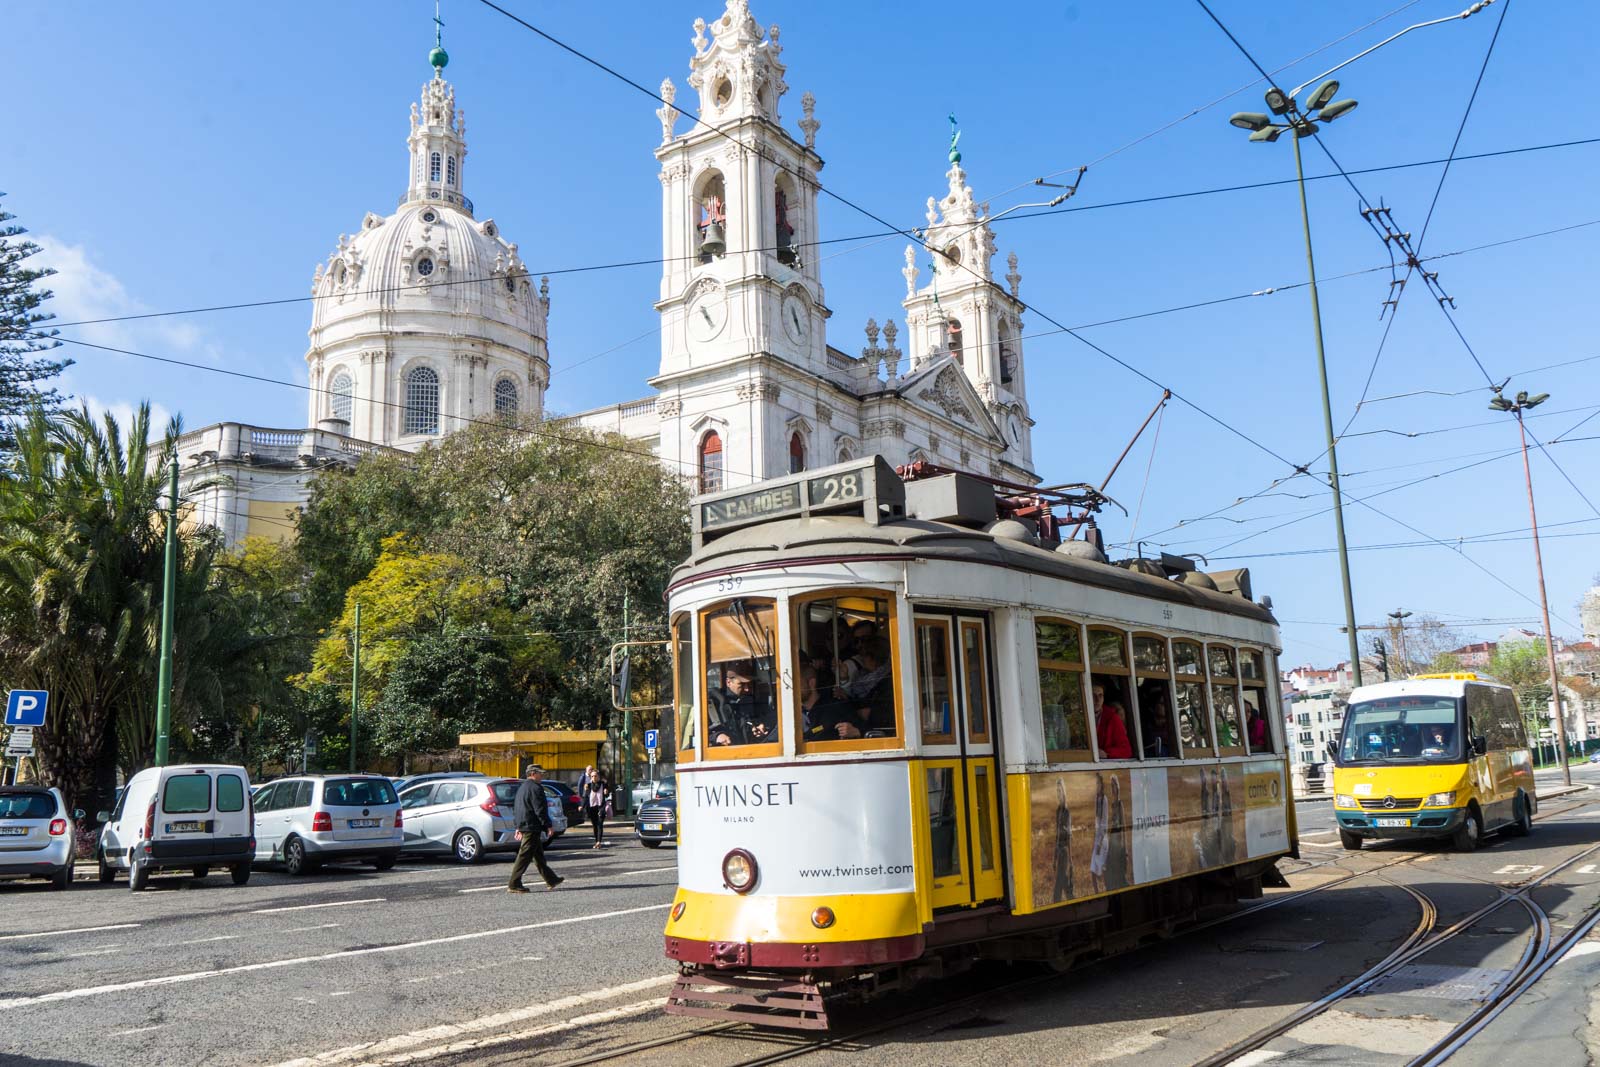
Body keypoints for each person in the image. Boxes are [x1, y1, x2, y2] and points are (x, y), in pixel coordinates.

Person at [507, 764, 563, 892]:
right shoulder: (536, 788)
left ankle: (551, 879)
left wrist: (518, 826)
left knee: (538, 856)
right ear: (533, 773)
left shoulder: (522, 787)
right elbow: (540, 809)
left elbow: (518, 808)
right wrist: (548, 825)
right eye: (540, 773)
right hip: (531, 826)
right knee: (524, 856)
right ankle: (514, 883)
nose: (542, 776)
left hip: (525, 824)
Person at [708, 660, 776, 746]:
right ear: (728, 682)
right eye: (741, 685)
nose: (747, 689)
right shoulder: (713, 702)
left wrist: (761, 726)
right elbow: (698, 733)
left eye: (749, 684)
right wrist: (717, 736)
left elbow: (767, 719)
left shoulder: (752, 700)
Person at [1092, 683, 1133, 759]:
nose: (1097, 700)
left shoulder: (1112, 718)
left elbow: (1126, 750)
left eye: (1100, 695)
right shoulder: (1077, 716)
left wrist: (1107, 753)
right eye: (1093, 695)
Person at [1052, 778, 1074, 903]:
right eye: (1057, 791)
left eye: (1060, 791)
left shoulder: (1066, 812)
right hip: (1059, 851)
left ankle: (1056, 902)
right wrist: (1054, 858)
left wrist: (1070, 859)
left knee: (1058, 886)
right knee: (1064, 883)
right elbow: (1057, 835)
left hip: (1065, 852)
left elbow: (1069, 836)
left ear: (1063, 792)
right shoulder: (1057, 811)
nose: (1058, 794)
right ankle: (1072, 899)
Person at [1089, 775, 1110, 894]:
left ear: (1102, 785)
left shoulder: (1104, 800)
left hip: (1102, 839)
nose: (1097, 786)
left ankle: (1107, 890)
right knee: (1093, 870)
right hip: (1097, 838)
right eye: (1095, 784)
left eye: (1098, 784)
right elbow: (1096, 820)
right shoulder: (1097, 799)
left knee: (1101, 871)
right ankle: (1097, 893)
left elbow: (1104, 823)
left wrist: (1099, 843)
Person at [1141, 686, 1175, 758]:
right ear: (1152, 707)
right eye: (1162, 703)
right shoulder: (1144, 727)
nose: (1165, 706)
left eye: (1166, 703)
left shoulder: (1173, 725)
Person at [584, 771, 609, 850]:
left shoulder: (603, 784)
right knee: (595, 825)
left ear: (598, 777)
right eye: (592, 776)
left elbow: (607, 794)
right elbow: (586, 797)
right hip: (592, 807)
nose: (593, 778)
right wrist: (582, 806)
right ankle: (597, 841)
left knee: (600, 824)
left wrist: (606, 792)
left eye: (595, 776)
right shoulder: (588, 785)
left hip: (601, 806)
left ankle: (599, 842)